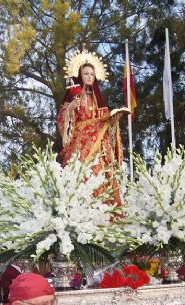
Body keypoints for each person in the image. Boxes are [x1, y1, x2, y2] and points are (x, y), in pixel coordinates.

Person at [57, 51, 126, 206]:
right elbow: (63, 118)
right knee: (82, 177)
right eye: (86, 73)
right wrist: (70, 110)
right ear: (80, 75)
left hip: (99, 146)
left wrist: (114, 121)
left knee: (102, 176)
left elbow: (105, 121)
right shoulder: (73, 96)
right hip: (80, 145)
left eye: (92, 74)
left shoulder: (98, 99)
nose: (89, 77)